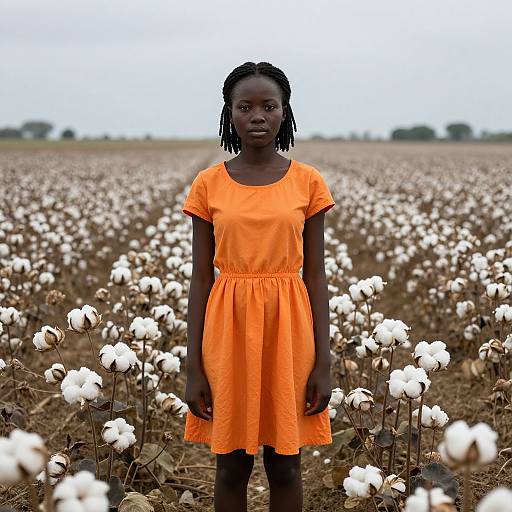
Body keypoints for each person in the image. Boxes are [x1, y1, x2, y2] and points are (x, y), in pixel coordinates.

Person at [182, 61, 336, 512]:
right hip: (226, 331)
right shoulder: (208, 184)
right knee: (231, 464)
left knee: (285, 463)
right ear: (229, 114)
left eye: (269, 106)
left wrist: (323, 362)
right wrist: (193, 368)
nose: (257, 116)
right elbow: (199, 278)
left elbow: (317, 275)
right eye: (245, 106)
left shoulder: (307, 182)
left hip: (289, 329)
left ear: (284, 113)